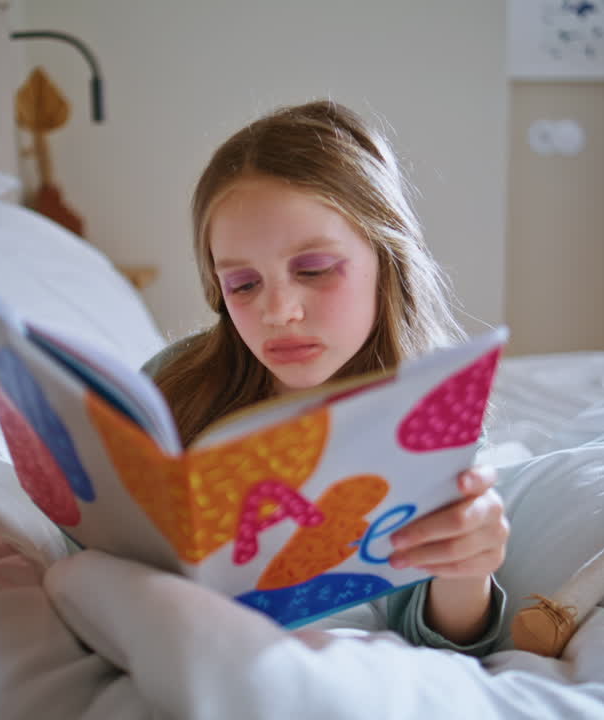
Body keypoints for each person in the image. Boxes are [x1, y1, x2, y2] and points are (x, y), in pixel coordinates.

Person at [142, 99, 509, 653]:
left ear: (386, 257)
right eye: (243, 284)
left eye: (313, 271)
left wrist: (468, 569)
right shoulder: (169, 386)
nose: (279, 311)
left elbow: (444, 640)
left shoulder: (428, 417)